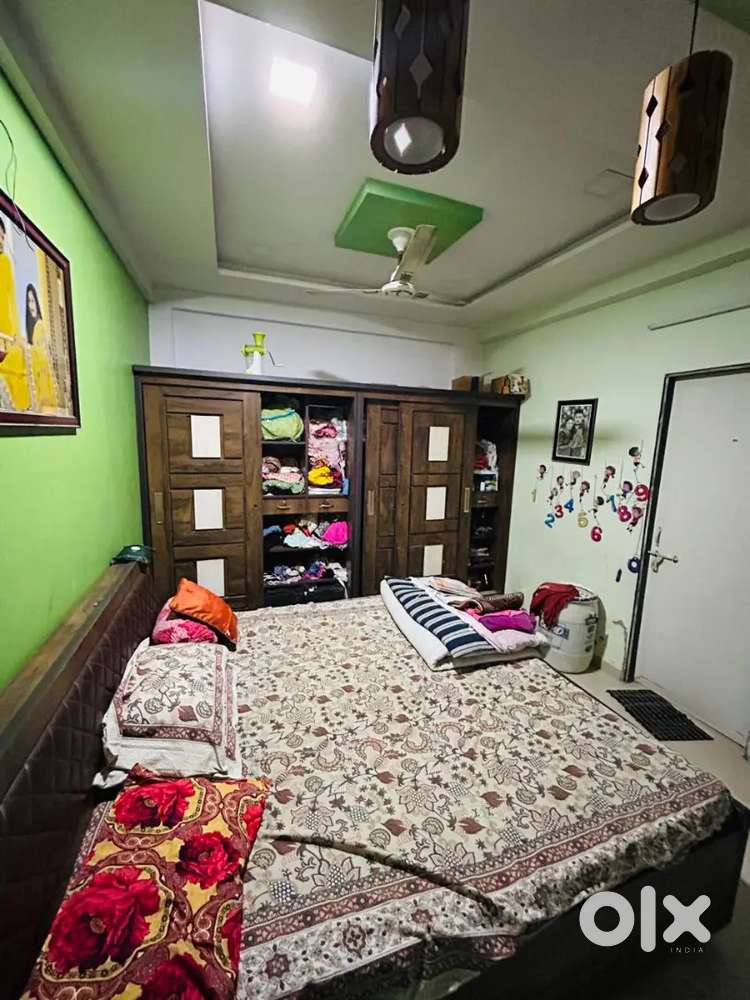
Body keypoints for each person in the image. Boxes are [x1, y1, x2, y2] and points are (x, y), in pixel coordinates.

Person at [0, 216, 31, 410]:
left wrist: (16, 334)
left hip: (7, 334)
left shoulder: (5, 263)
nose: (1, 240)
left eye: (2, 236)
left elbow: (11, 301)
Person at [26, 282, 58, 411]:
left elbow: (43, 354)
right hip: (37, 375)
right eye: (29, 302)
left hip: (43, 377)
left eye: (33, 301)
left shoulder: (40, 325)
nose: (31, 305)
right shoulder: (31, 327)